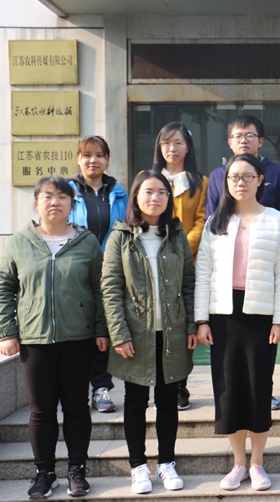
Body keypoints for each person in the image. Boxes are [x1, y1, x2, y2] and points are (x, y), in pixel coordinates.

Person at [0, 176, 108, 500]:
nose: (54, 202)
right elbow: (4, 287)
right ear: (36, 203)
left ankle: (76, 471)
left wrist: (102, 330)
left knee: (76, 407)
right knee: (41, 410)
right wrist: (7, 331)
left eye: (62, 196)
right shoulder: (20, 241)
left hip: (78, 337)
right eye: (47, 196)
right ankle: (44, 473)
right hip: (35, 340)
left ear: (72, 204)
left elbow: (100, 289)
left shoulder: (86, 242)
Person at [195, 153, 280, 492]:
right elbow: (203, 272)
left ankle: (257, 463)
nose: (240, 182)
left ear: (260, 180)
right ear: (226, 181)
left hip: (261, 315)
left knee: (258, 388)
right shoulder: (215, 221)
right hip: (223, 315)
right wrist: (201, 320)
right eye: (234, 176)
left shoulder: (276, 220)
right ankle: (238, 463)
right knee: (229, 390)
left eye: (247, 176)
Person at [101, 171, 197, 494]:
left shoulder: (176, 234)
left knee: (168, 399)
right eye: (148, 192)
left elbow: (189, 282)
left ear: (168, 199)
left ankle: (166, 462)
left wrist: (192, 325)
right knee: (135, 400)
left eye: (161, 192)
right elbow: (111, 287)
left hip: (171, 331)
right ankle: (138, 466)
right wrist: (119, 333)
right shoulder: (121, 236)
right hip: (135, 333)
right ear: (136, 197)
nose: (155, 198)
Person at [67, 135, 127, 414]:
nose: (94, 160)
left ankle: (101, 388)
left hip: (110, 271)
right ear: (78, 159)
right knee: (80, 330)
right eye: (87, 155)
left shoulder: (119, 193)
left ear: (107, 160)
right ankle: (75, 388)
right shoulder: (66, 191)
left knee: (105, 328)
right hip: (76, 272)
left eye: (100, 155)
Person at [151, 121, 208, 411]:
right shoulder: (148, 179)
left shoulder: (201, 182)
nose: (172, 148)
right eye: (166, 143)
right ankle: (158, 384)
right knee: (157, 325)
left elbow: (202, 221)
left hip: (187, 264)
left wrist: (180, 247)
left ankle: (180, 385)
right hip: (152, 260)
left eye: (178, 143)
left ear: (188, 147)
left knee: (183, 325)